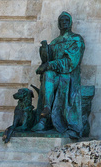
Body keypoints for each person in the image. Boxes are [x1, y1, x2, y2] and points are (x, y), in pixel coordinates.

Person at [30, 11, 85, 139]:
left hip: (69, 76)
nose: (64, 23)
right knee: (48, 74)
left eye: (66, 20)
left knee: (50, 73)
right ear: (58, 24)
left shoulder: (76, 39)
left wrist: (49, 65)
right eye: (61, 21)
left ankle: (45, 119)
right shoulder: (55, 42)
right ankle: (46, 110)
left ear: (70, 23)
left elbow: (71, 62)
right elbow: (47, 61)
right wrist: (44, 50)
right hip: (53, 76)